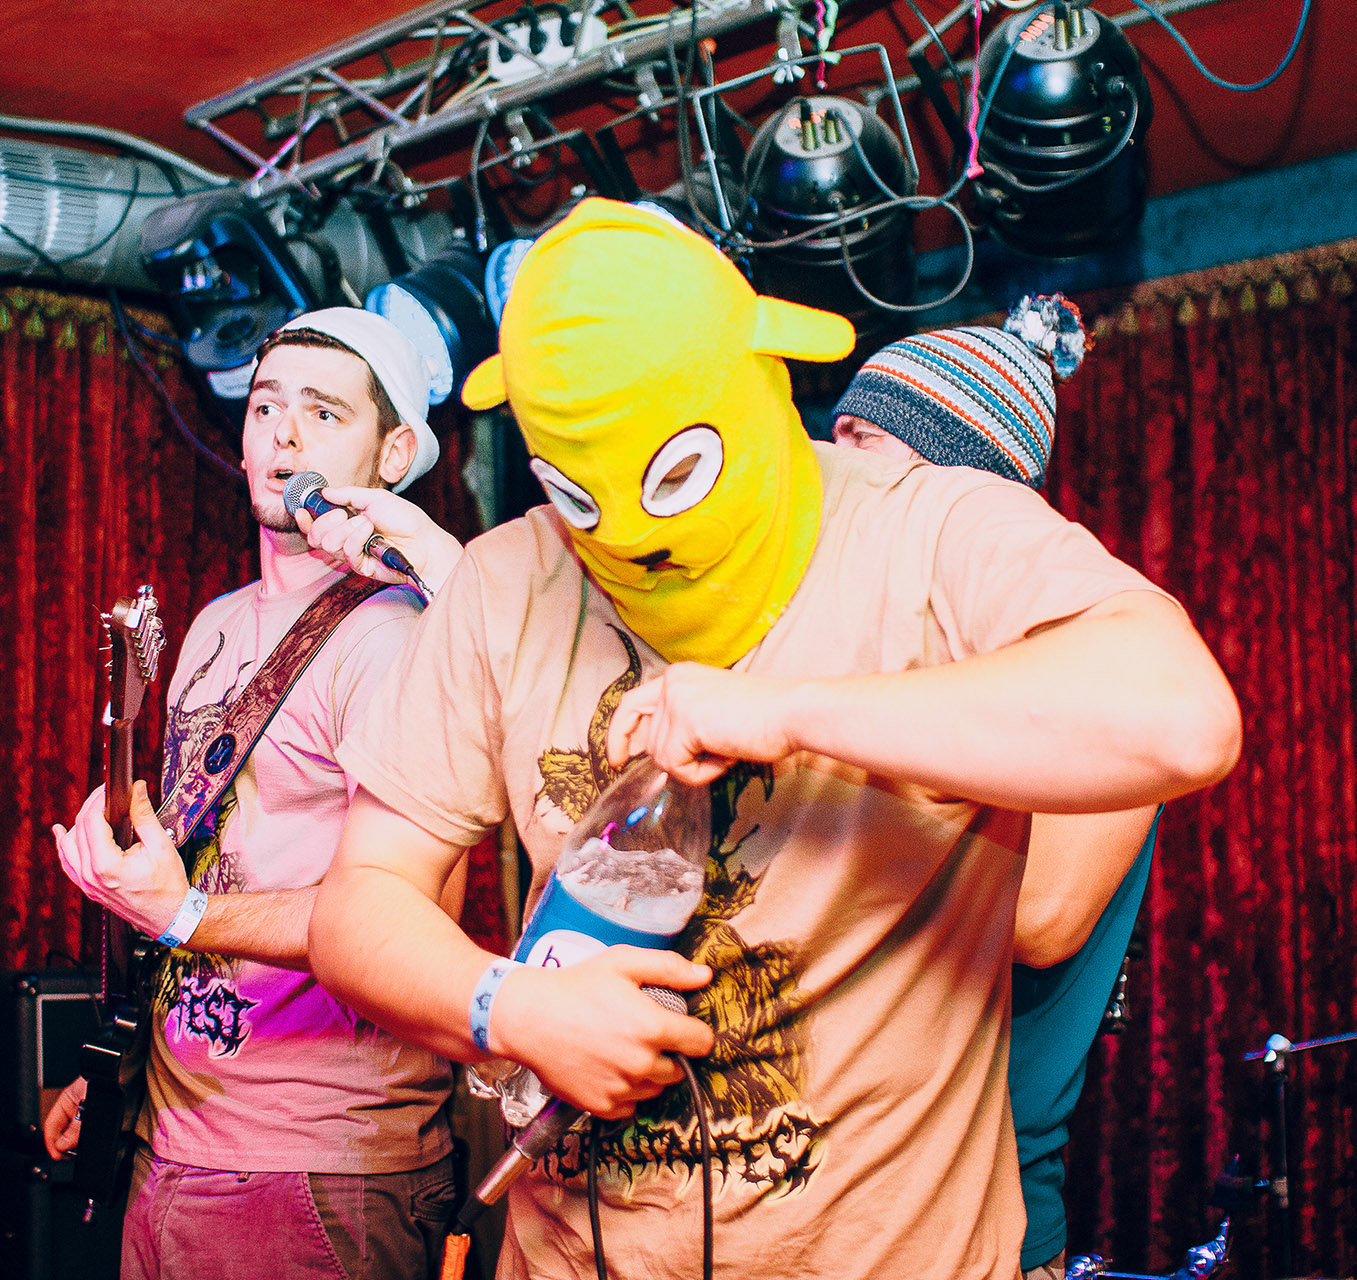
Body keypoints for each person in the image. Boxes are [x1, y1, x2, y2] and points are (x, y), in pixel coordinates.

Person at [306, 199, 1241, 1280]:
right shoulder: (507, 577)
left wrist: (787, 712)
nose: (635, 534)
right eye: (584, 494)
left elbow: (1180, 718)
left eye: (673, 474)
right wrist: (506, 1007)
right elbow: (359, 903)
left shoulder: (933, 527)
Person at [47, 307, 468, 1280]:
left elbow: (413, 911)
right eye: (265, 406)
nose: (283, 435)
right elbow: (205, 862)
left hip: (317, 1161)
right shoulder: (213, 624)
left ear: (392, 453)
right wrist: (118, 1072)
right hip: (172, 1137)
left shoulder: (393, 636)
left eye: (323, 412)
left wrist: (184, 912)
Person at [830, 298, 1162, 1280]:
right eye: (838, 436)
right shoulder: (845, 648)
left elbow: (1043, 917)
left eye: (867, 446)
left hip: (980, 1214)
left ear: (968, 495)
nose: (834, 471)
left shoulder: (1088, 664)